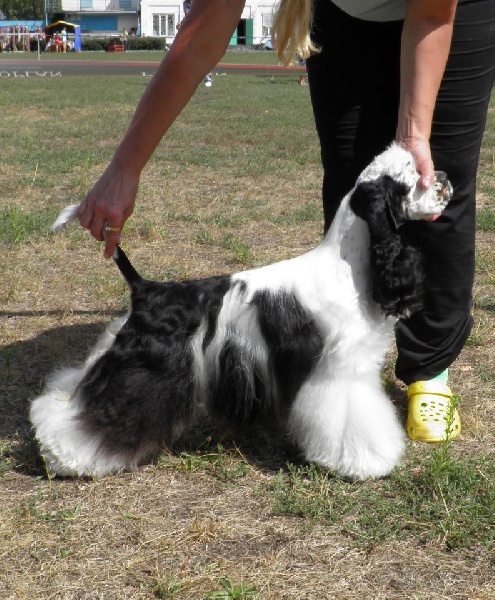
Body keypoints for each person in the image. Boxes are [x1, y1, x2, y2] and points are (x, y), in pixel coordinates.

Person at [76, 0, 495, 443]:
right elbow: (200, 37)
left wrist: (413, 137)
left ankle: (430, 371)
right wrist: (125, 167)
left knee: (436, 187)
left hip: (448, 14)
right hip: (342, 19)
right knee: (349, 174)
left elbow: (431, 15)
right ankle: (329, 369)